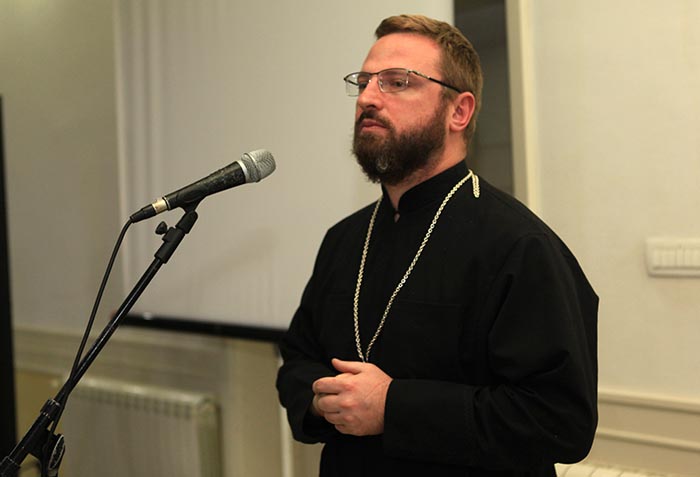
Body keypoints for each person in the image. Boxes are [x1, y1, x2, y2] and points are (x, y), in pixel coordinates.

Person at [276, 14, 598, 477]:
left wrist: (393, 407)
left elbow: (559, 420)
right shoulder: (343, 239)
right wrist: (322, 401)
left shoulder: (519, 245)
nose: (367, 98)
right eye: (364, 83)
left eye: (396, 82)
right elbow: (298, 361)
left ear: (458, 112)